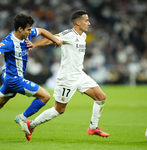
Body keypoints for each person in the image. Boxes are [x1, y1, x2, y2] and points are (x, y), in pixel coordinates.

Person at [0, 13, 62, 142]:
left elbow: (42, 31)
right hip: (14, 79)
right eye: (28, 30)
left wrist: (56, 40)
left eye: (30, 29)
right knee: (45, 96)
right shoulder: (9, 42)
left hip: (8, 78)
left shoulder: (25, 34)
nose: (30, 32)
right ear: (20, 29)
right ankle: (23, 118)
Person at [24, 10, 109, 141]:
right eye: (86, 21)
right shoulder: (68, 34)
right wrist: (33, 45)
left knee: (101, 97)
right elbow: (50, 40)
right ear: (78, 22)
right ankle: (31, 124)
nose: (89, 23)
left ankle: (93, 127)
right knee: (59, 110)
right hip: (67, 78)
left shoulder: (83, 36)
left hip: (79, 75)